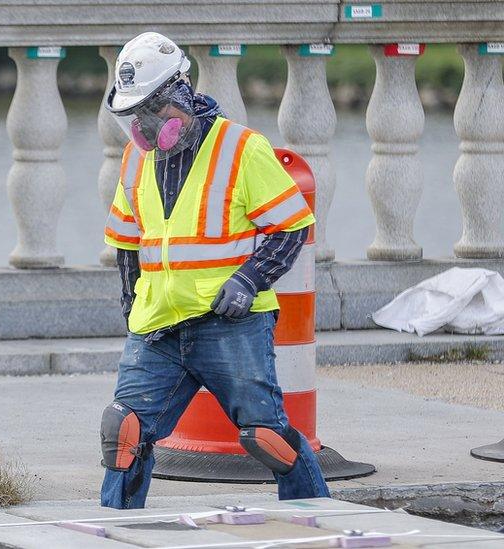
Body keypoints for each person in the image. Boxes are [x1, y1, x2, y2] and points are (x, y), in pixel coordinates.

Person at [99, 32, 330, 509]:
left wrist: (248, 281)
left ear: (180, 92)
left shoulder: (242, 148)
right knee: (123, 434)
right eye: (133, 116)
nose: (142, 126)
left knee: (267, 436)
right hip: (158, 324)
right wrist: (131, 301)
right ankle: (114, 532)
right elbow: (126, 239)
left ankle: (318, 518)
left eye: (151, 110)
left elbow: (291, 226)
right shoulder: (135, 158)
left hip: (231, 324)